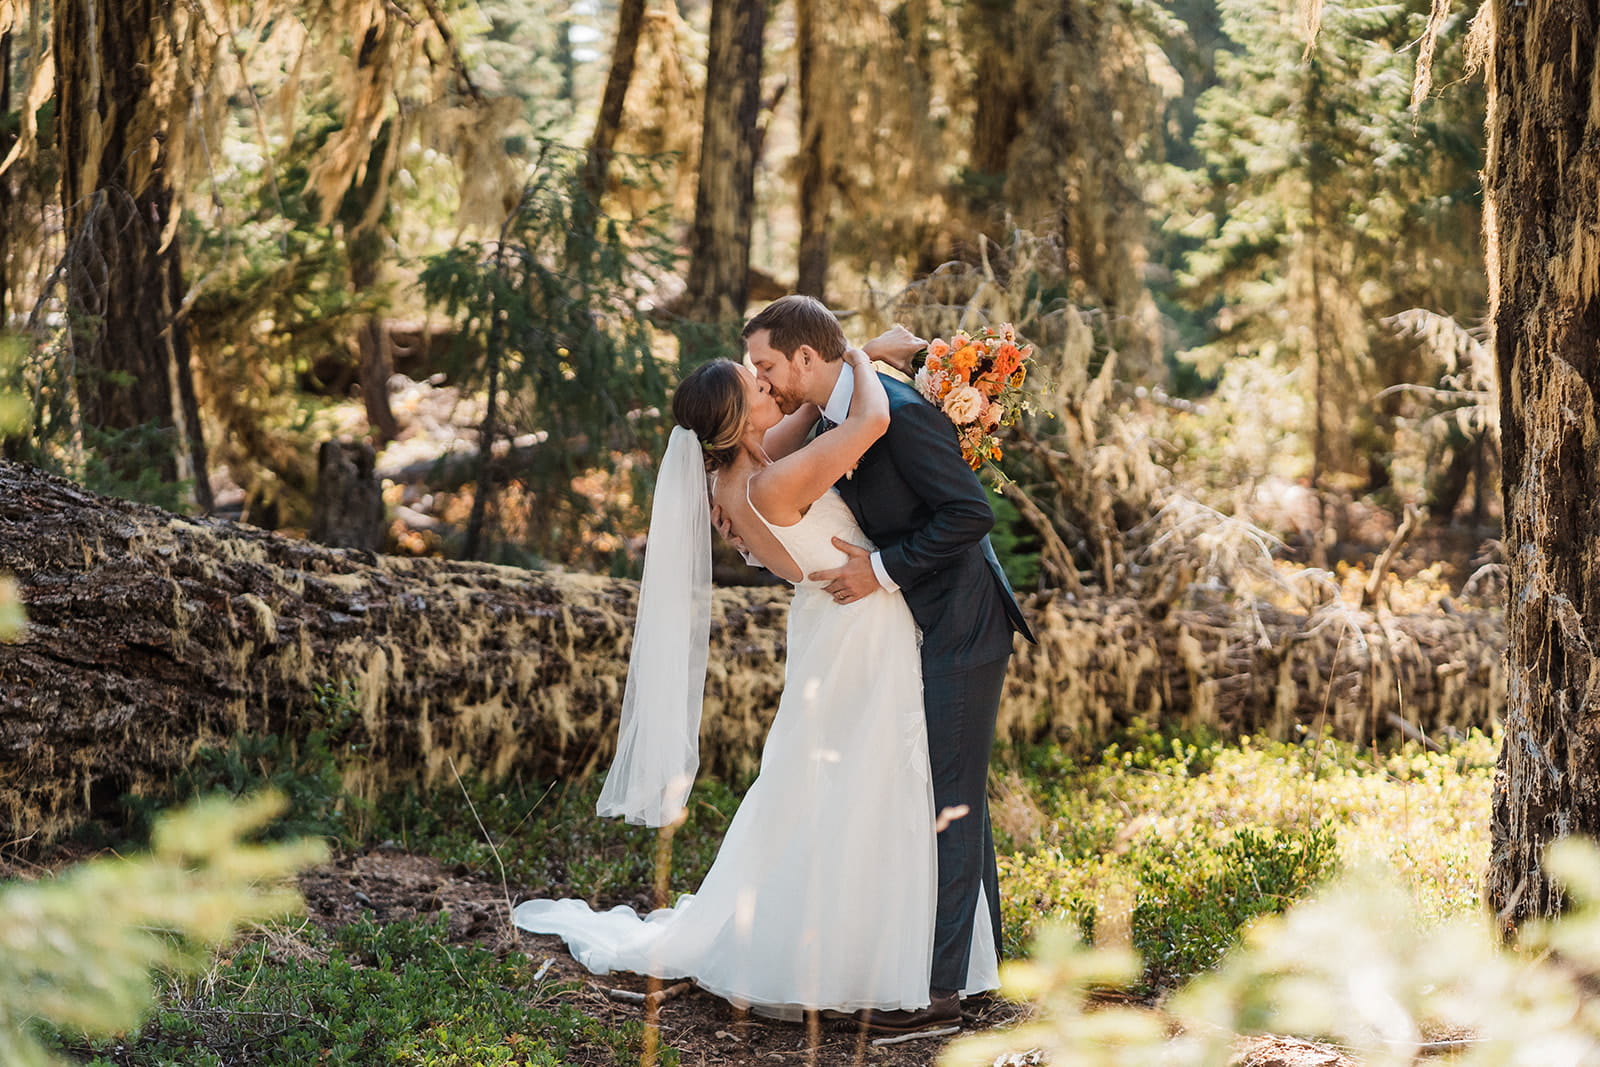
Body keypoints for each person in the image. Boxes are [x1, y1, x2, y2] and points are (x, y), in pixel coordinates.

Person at [512, 337, 1000, 1023]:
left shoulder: (749, 469)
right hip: (858, 625)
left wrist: (853, 353)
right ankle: (865, 955)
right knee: (871, 778)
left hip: (843, 623)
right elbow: (867, 423)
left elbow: (815, 403)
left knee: (840, 779)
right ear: (741, 420)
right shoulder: (767, 481)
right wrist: (863, 352)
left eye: (765, 377)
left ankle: (901, 949)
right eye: (759, 388)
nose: (774, 391)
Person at [741, 295, 1035, 1032]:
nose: (764, 378)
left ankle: (937, 998)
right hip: (924, 621)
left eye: (768, 364)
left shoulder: (894, 412)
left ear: (808, 358)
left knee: (952, 798)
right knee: (951, 788)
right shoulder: (843, 410)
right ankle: (972, 969)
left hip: (962, 622)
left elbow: (971, 513)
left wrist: (882, 570)